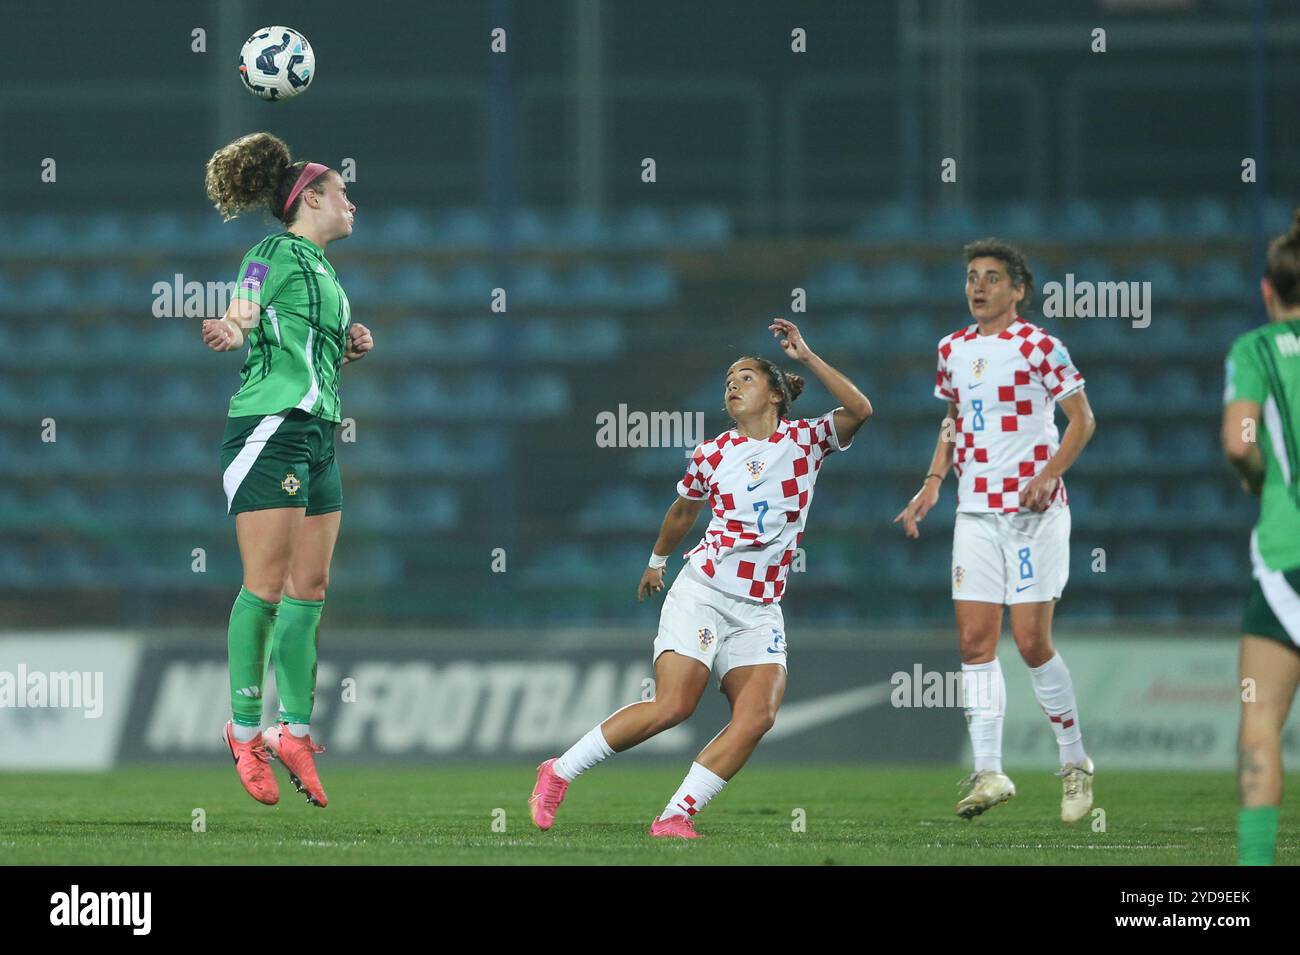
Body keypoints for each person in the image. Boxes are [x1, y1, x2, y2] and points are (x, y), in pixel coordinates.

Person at [529, 318, 872, 838]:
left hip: (759, 608)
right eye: (728, 380)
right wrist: (657, 560)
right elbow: (682, 512)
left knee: (757, 717)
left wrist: (806, 356)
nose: (732, 385)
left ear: (777, 394)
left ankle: (675, 814)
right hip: (705, 592)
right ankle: (558, 771)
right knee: (674, 705)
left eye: (746, 377)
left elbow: (861, 410)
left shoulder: (806, 440)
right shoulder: (712, 453)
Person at [894, 238, 1097, 822]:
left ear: (1017, 290)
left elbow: (1082, 420)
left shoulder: (1041, 347)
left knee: (1032, 644)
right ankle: (990, 772)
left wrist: (1048, 473)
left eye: (990, 278)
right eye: (971, 278)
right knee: (973, 644)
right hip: (975, 514)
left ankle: (1075, 763)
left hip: (1033, 516)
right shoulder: (952, 348)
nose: (977, 287)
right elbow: (955, 419)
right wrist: (934, 481)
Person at [200, 131, 371, 808]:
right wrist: (234, 326)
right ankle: (243, 731)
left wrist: (350, 343)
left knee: (312, 583)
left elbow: (304, 349)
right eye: (342, 191)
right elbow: (246, 302)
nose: (351, 200)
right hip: (270, 432)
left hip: (318, 436)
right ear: (312, 199)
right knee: (265, 586)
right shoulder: (273, 250)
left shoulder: (326, 273)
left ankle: (292, 729)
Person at [1226, 210, 1300, 865]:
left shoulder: (1255, 349)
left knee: (1259, 720)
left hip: (1287, 557)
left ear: (1267, 290)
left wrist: (1256, 474)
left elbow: (1238, 439)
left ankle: (1255, 871)